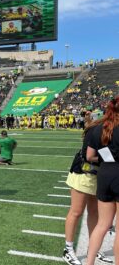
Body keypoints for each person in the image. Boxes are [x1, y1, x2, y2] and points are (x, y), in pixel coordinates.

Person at [62, 118, 113, 265]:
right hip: (83, 173)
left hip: (97, 175)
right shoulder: (97, 129)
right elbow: (89, 156)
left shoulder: (108, 128)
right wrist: (113, 157)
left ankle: (93, 248)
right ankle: (68, 249)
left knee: (94, 213)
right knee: (76, 211)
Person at [86, 97, 119, 265]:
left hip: (105, 174)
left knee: (102, 225)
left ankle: (89, 262)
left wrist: (108, 158)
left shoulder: (99, 128)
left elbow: (90, 156)